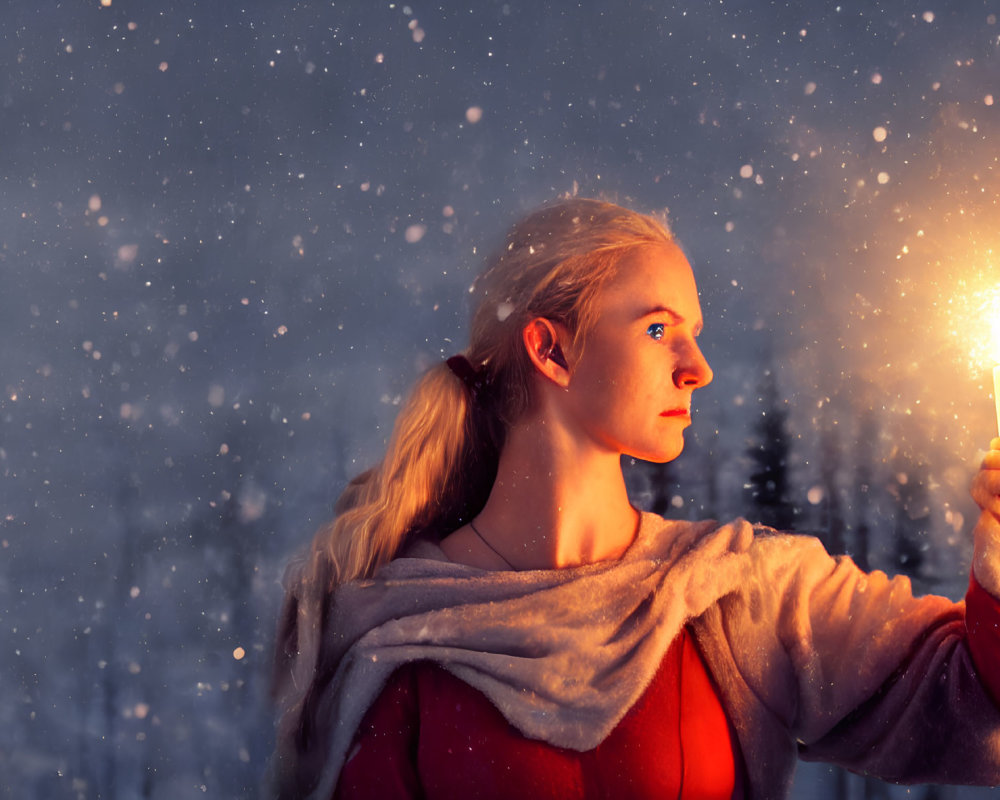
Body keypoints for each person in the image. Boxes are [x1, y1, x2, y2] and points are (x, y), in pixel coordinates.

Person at [271, 198, 1000, 799]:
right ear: (551, 350)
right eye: (659, 329)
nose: (699, 368)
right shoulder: (403, 635)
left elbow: (978, 710)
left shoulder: (740, 595)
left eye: (695, 334)